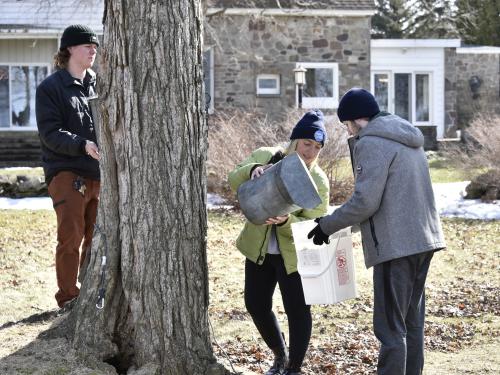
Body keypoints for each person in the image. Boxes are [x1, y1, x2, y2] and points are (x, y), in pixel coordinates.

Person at [307, 88, 446, 375]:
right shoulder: (405, 136)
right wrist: (340, 226)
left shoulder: (371, 142)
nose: (347, 131)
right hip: (423, 239)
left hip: (396, 248)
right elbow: (390, 200)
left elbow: (365, 202)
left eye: (346, 124)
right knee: (411, 324)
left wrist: (326, 225)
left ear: (357, 119)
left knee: (390, 328)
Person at [228, 110, 330, 375]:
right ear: (295, 140)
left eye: (317, 147)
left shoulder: (318, 180)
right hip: (259, 249)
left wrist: (286, 222)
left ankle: (294, 368)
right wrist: (253, 171)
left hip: (293, 256)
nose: (310, 152)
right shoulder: (268, 156)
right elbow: (233, 177)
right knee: (256, 304)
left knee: (297, 310)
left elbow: (315, 226)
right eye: (307, 143)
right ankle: (280, 355)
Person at [36, 24, 101, 309]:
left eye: (95, 46)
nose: (93, 50)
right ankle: (68, 299)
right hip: (65, 172)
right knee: (71, 235)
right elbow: (50, 134)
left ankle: (89, 295)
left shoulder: (98, 83)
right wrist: (82, 144)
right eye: (87, 45)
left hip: (98, 174)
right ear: (70, 49)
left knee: (97, 237)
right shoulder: (51, 88)